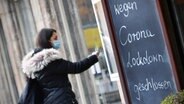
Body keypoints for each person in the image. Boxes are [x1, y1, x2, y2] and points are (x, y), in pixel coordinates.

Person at [19, 28, 99, 104]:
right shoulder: (51, 60)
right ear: (47, 41)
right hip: (62, 99)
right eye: (55, 38)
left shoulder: (34, 66)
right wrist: (94, 57)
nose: (58, 41)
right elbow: (76, 67)